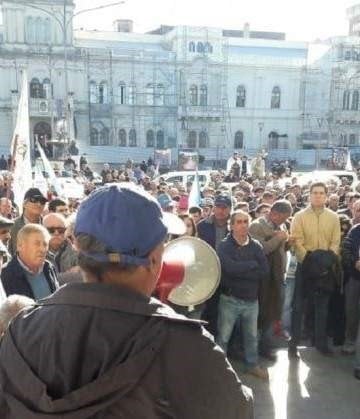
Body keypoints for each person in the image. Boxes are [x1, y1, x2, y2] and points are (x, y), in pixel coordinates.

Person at [0, 184, 253, 418]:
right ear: (155, 261)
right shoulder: (187, 345)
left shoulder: (21, 329)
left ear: (78, 250)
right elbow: (238, 410)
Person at [289, 182, 341, 358]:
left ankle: (321, 343)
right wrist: (311, 262)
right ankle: (293, 344)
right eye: (315, 193)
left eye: (321, 193)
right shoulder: (299, 216)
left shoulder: (334, 217)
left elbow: (335, 243)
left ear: (326, 195)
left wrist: (326, 263)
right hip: (305, 267)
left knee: (322, 308)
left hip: (326, 269)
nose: (318, 195)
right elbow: (297, 242)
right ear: (309, 195)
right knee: (298, 307)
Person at [217, 210, 269, 379]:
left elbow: (263, 271)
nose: (243, 225)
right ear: (231, 226)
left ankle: (252, 365)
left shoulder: (256, 246)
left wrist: (241, 268)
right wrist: (251, 264)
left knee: (252, 337)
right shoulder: (224, 246)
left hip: (251, 301)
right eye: (238, 222)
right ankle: (219, 369)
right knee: (223, 337)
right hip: (230, 299)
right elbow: (229, 269)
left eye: (245, 221)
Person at [249, 200, 293, 360]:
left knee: (273, 312)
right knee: (259, 313)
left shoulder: (282, 226)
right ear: (273, 213)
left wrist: (287, 243)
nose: (284, 222)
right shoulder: (256, 226)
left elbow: (280, 249)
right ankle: (253, 347)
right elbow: (261, 250)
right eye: (282, 218)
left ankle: (266, 346)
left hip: (278, 277)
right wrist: (278, 239)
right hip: (262, 279)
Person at [197, 194, 231, 335]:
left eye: (224, 207)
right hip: (208, 273)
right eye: (218, 207)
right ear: (213, 208)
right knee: (210, 309)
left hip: (229, 273)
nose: (221, 210)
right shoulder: (203, 225)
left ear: (229, 209)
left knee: (227, 312)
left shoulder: (234, 225)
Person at [1, 224, 58, 300]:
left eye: (45, 244)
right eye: (37, 244)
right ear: (20, 246)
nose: (42, 249)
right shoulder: (5, 274)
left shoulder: (49, 268)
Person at [9, 188, 47, 256]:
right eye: (34, 200)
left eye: (42, 201)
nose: (39, 204)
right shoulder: (11, 226)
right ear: (24, 204)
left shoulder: (49, 226)